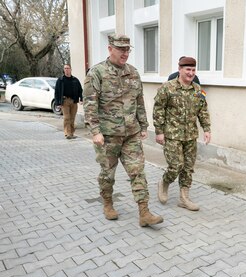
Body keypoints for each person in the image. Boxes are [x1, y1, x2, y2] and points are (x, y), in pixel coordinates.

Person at [83, 34, 163, 227]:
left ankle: (144, 212)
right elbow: (90, 104)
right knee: (107, 174)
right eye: (121, 49)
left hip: (131, 134)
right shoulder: (97, 73)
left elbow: (139, 101)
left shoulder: (133, 73)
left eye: (128, 49)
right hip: (108, 135)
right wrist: (95, 131)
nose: (125, 53)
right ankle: (108, 203)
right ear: (110, 49)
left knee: (138, 172)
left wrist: (143, 125)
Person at [153, 56, 211, 211]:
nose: (191, 73)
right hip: (172, 135)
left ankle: (184, 198)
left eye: (193, 70)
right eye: (188, 70)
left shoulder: (198, 90)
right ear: (180, 69)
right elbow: (158, 110)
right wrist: (159, 132)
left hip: (191, 135)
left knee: (188, 168)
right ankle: (164, 182)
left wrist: (206, 129)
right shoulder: (167, 88)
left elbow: (203, 110)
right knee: (176, 165)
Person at [54, 64, 83, 139]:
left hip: (74, 101)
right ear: (64, 70)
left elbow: (80, 90)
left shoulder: (75, 80)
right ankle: (67, 134)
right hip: (65, 101)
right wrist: (58, 103)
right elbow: (56, 92)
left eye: (68, 68)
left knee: (72, 118)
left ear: (71, 69)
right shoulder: (60, 80)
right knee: (67, 117)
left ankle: (72, 133)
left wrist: (81, 99)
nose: (66, 69)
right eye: (65, 68)